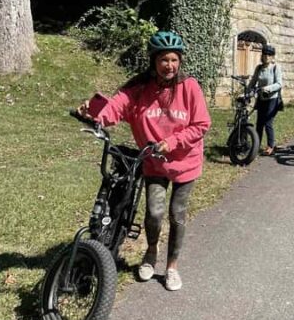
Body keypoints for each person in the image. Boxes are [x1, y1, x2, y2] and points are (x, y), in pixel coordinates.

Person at [79, 31, 211, 290]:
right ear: (153, 61)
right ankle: (151, 252)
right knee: (154, 212)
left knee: (177, 215)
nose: (169, 65)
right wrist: (95, 114)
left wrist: (171, 142)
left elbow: (201, 124)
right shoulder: (140, 87)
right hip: (153, 162)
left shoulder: (190, 87)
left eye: (174, 60)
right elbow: (117, 106)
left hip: (186, 163)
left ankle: (172, 266)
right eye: (164, 60)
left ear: (180, 61)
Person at [249, 44, 283, 156]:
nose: (267, 56)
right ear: (262, 55)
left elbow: (279, 84)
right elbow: (252, 83)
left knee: (268, 122)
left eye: (269, 55)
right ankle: (256, 145)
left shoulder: (275, 68)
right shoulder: (259, 68)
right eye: (265, 54)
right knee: (259, 123)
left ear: (272, 57)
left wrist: (267, 89)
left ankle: (270, 146)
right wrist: (246, 93)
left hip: (272, 99)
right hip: (261, 98)